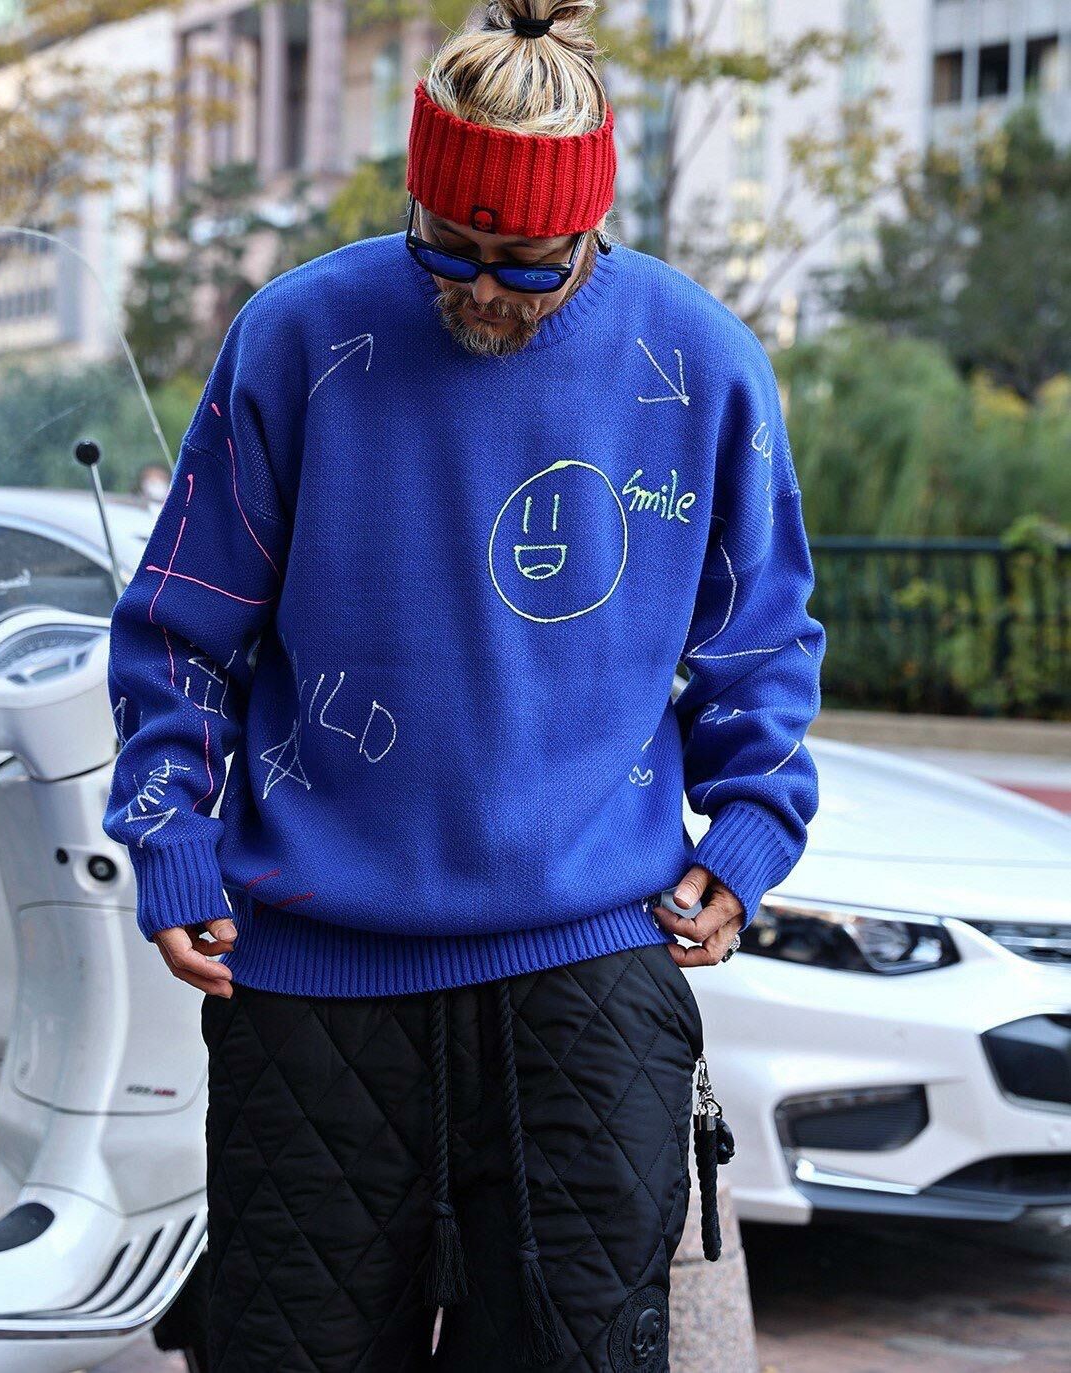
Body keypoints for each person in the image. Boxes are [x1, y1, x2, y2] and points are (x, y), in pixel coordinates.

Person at [101, 1, 825, 1368]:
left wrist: (749, 833)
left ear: (591, 222)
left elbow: (763, 638)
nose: (482, 289)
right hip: (312, 983)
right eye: (447, 247)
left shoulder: (702, 362)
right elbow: (179, 625)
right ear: (416, 194)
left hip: (586, 975)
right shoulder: (297, 334)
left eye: (527, 265)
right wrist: (170, 840)